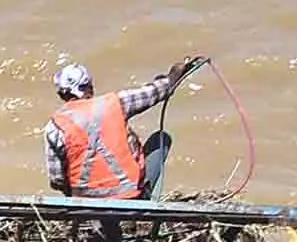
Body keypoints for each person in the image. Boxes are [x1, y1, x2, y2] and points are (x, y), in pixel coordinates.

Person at [45, 56, 205, 200]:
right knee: (161, 138)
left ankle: (109, 229)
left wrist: (81, 192)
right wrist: (176, 73)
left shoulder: (55, 126)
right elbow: (157, 91)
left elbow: (57, 179)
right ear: (90, 87)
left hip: (86, 203)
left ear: (62, 95)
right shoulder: (114, 103)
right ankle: (147, 199)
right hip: (132, 196)